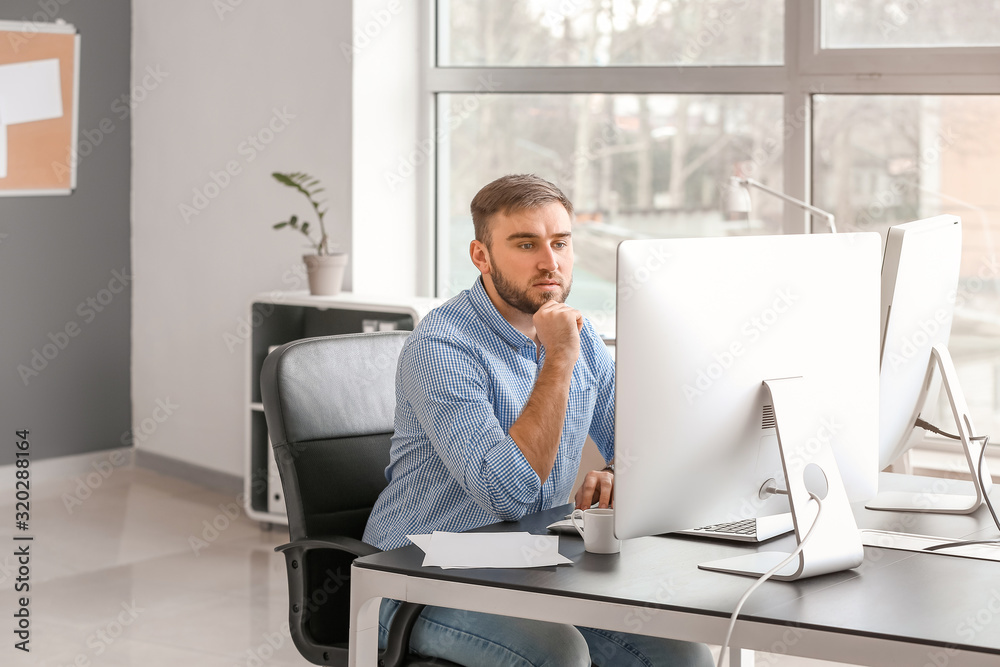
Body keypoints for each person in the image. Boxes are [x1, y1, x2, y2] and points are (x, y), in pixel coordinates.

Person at [363, 174, 713, 667]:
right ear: (481, 256)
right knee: (558, 653)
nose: (550, 262)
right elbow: (507, 495)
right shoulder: (442, 347)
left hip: (530, 560)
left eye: (560, 243)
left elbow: (642, 444)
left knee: (683, 655)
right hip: (420, 573)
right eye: (526, 244)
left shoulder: (578, 336)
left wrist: (615, 474)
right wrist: (558, 360)